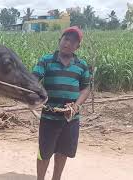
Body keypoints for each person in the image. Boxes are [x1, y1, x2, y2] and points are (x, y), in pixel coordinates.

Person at [32, 26, 91, 180]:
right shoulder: (46, 60)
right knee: (44, 152)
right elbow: (33, 80)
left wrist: (76, 106)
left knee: (63, 152)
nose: (68, 43)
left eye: (73, 42)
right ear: (60, 40)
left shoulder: (81, 64)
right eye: (66, 39)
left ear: (77, 46)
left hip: (70, 119)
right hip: (49, 117)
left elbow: (85, 89)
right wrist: (38, 95)